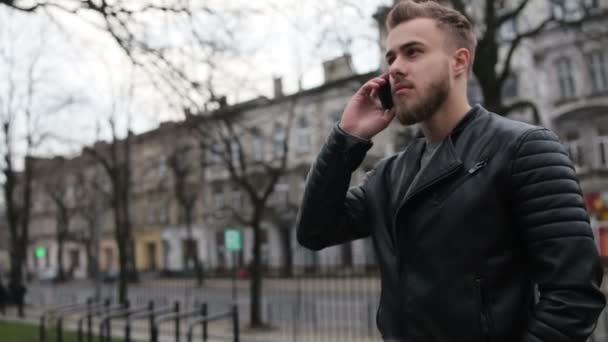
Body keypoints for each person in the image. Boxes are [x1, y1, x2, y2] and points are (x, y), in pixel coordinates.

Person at [295, 1, 606, 341]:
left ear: (459, 61)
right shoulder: (388, 177)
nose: (394, 68)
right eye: (390, 57)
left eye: (412, 52)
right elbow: (314, 231)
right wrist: (346, 137)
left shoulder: (524, 149)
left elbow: (574, 297)